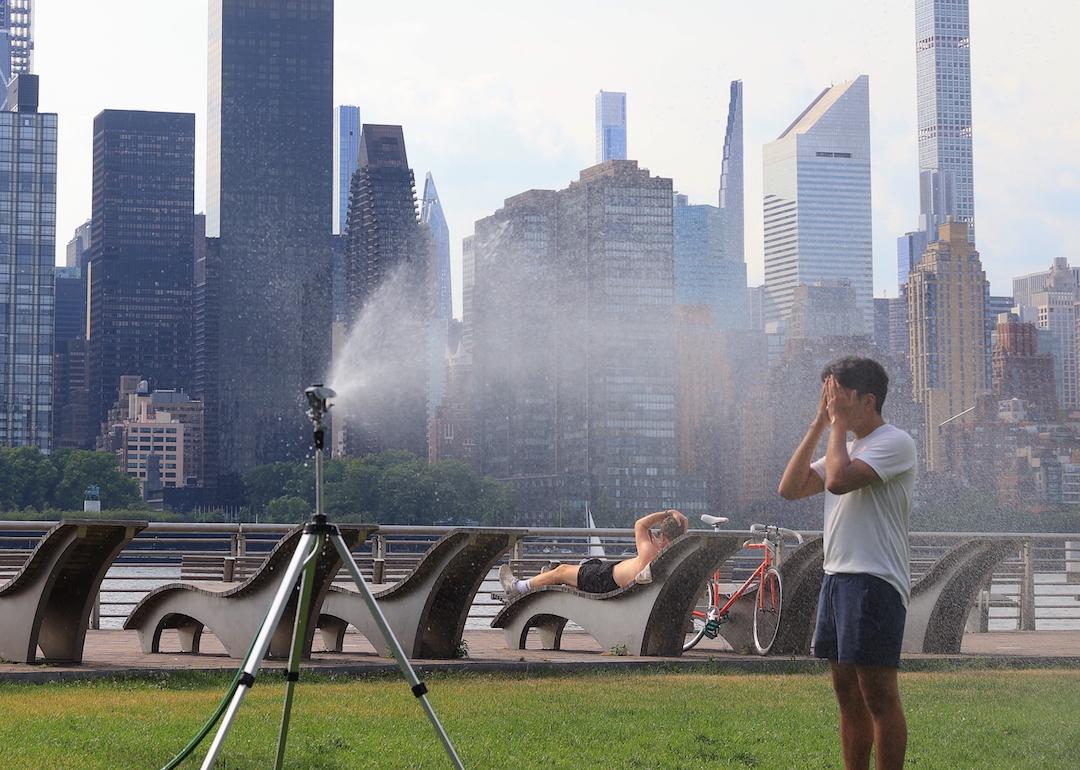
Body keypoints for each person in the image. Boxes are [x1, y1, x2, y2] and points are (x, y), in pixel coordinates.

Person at [778, 356, 916, 770]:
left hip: (874, 581)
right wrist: (819, 424)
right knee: (846, 695)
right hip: (837, 579)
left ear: (868, 400)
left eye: (838, 395)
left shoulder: (895, 442)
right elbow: (790, 488)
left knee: (878, 696)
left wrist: (834, 426)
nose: (830, 402)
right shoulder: (847, 446)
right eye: (827, 396)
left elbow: (837, 482)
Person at [499, 509, 689, 600]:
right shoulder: (673, 556)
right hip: (608, 575)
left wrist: (668, 512)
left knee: (562, 570)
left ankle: (517, 587)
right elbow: (674, 532)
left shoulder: (651, 552)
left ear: (663, 536)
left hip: (604, 581)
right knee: (589, 563)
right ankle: (545, 577)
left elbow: (640, 524)